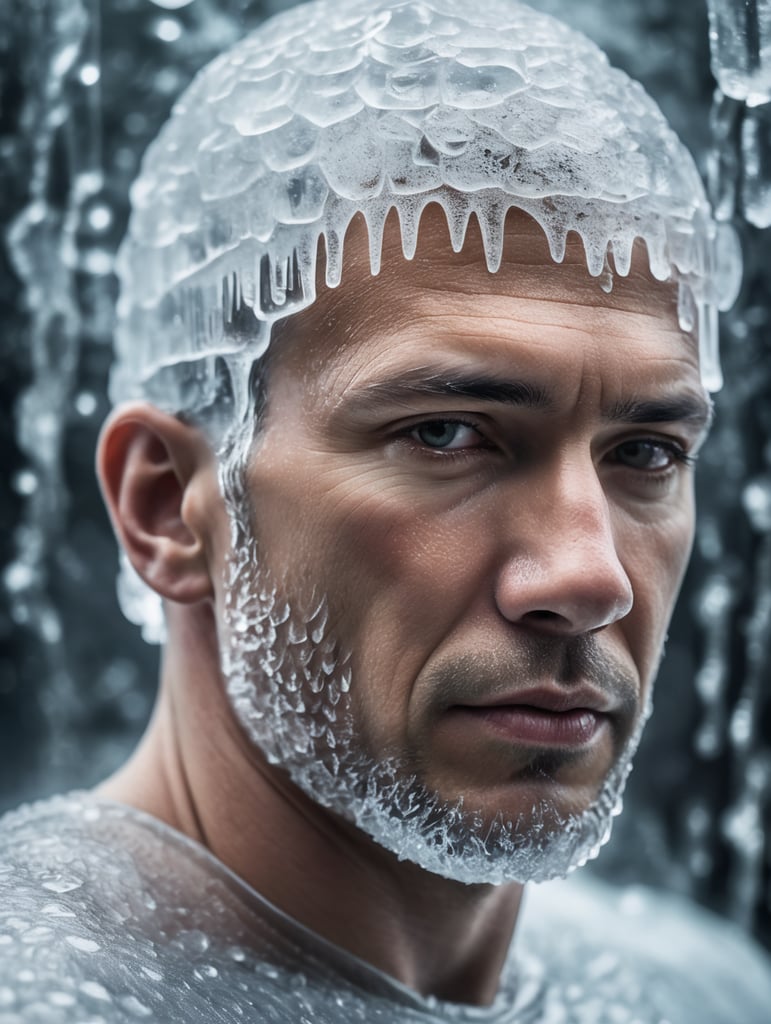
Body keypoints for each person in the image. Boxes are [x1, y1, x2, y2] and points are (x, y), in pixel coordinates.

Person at [1, 0, 769, 1020]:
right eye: (447, 434)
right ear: (168, 508)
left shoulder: (708, 989)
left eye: (644, 452)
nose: (591, 576)